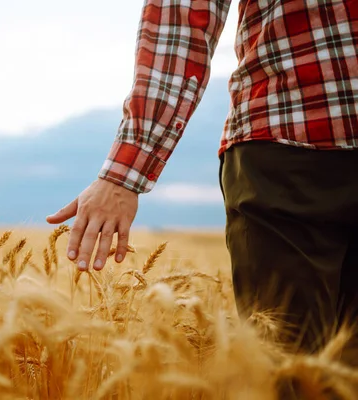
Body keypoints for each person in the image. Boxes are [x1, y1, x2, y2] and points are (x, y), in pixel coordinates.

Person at [46, 0, 358, 357]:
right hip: (289, 150)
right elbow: (179, 25)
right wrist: (124, 173)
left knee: (294, 368)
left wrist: (124, 172)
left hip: (286, 144)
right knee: (290, 367)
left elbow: (180, 21)